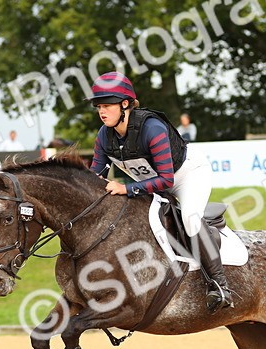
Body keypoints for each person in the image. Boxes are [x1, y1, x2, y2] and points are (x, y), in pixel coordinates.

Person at [88, 72, 233, 312]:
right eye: (99, 106)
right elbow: (95, 178)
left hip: (186, 175)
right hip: (150, 183)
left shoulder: (151, 128)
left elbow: (166, 180)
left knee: (189, 218)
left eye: (107, 105)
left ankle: (220, 285)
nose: (102, 112)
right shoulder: (104, 136)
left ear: (125, 104)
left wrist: (125, 188)